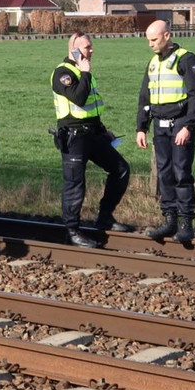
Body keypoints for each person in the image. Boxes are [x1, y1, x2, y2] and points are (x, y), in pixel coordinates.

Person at [51, 32, 130, 247]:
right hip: (74, 138)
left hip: (93, 134)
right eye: (87, 47)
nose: (91, 50)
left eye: (91, 46)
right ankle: (72, 230)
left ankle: (104, 217)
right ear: (73, 50)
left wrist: (103, 130)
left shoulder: (84, 72)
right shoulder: (62, 73)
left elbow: (90, 108)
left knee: (121, 169)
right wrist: (85, 73)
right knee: (75, 184)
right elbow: (78, 97)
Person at [136, 20, 195, 243]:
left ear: (167, 36)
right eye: (148, 40)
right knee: (164, 173)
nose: (150, 45)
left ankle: (186, 223)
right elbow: (144, 98)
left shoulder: (187, 60)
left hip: (180, 124)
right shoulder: (153, 63)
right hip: (160, 126)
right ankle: (169, 219)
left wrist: (188, 126)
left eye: (154, 40)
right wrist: (141, 127)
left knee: (180, 173)